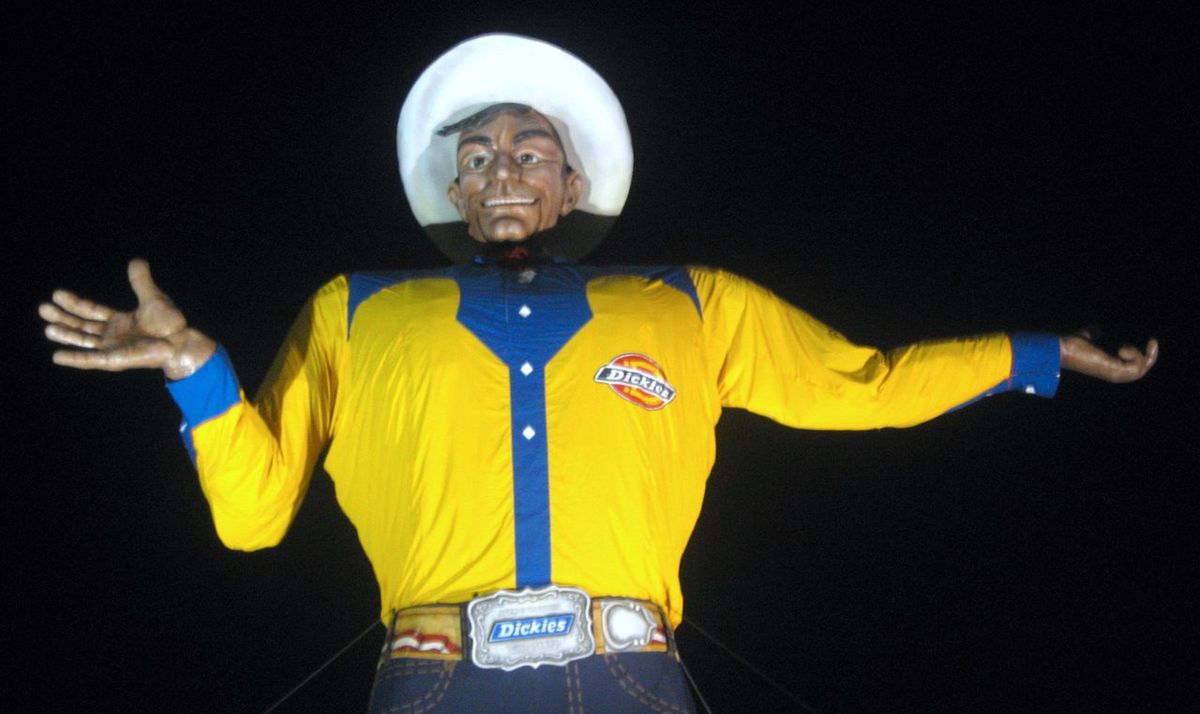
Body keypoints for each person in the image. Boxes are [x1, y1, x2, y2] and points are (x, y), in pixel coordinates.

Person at [39, 34, 1157, 712]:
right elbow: (254, 516)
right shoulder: (356, 308)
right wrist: (198, 375)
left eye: (528, 151)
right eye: (475, 157)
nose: (501, 170)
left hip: (634, 674)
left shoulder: (689, 299)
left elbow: (863, 383)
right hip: (434, 680)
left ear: (572, 182)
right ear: (456, 195)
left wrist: (1036, 354)